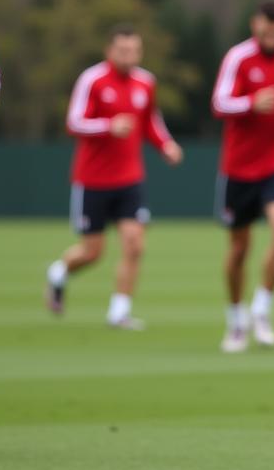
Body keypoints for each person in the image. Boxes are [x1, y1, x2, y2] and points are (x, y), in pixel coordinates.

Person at [45, 25, 183, 330]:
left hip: (130, 179)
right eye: (122, 51)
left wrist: (167, 145)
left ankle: (118, 312)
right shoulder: (92, 80)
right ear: (109, 51)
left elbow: (151, 122)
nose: (129, 56)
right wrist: (108, 126)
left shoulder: (145, 83)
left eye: (134, 51)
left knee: (134, 245)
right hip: (92, 180)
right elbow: (74, 122)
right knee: (92, 252)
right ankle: (58, 272)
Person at [211, 0, 274, 352]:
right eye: (265, 22)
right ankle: (236, 320)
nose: (270, 29)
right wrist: (251, 103)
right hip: (238, 169)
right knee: (238, 249)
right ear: (255, 24)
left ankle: (261, 309)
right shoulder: (238, 57)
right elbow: (218, 102)